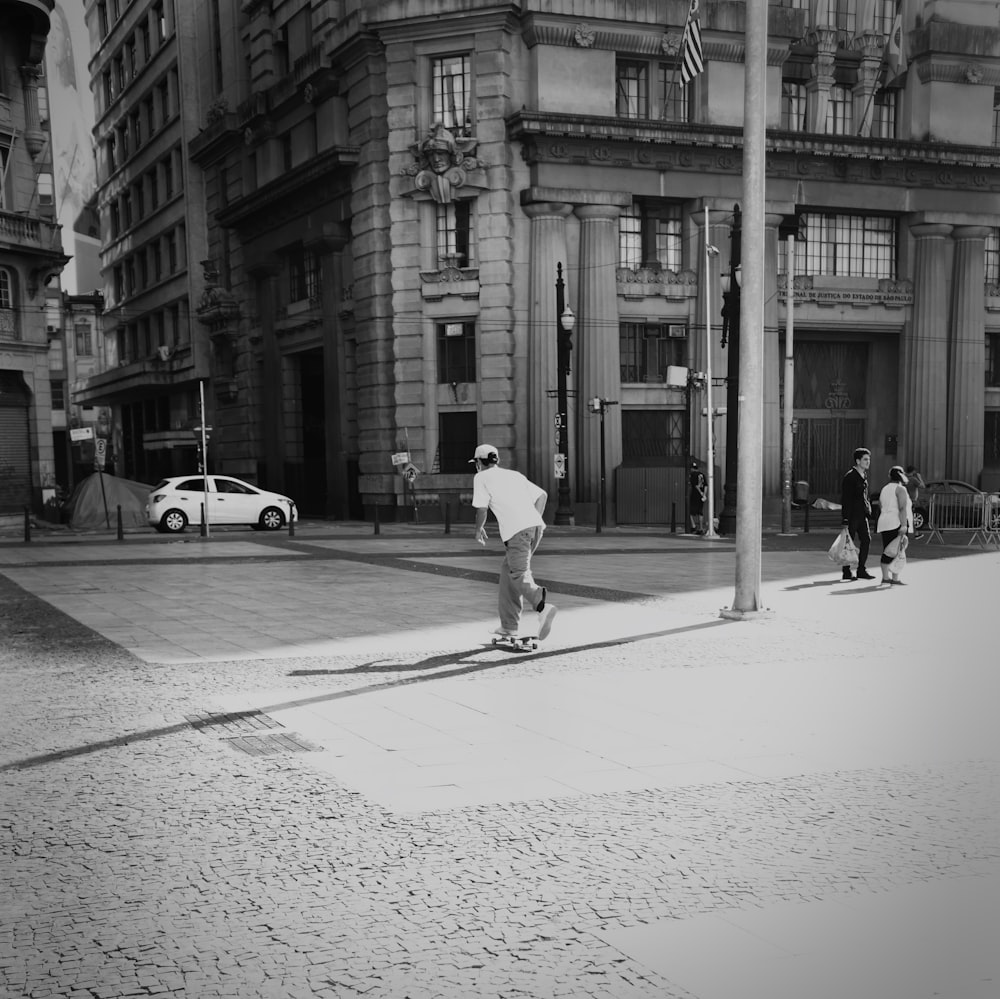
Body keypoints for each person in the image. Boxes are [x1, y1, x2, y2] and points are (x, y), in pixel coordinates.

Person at [471, 444, 557, 640]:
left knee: (518, 574)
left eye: (475, 462)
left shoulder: (481, 477)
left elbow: (481, 509)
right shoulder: (514, 475)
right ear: (496, 460)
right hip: (535, 528)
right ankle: (509, 626)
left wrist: (478, 529)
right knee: (507, 574)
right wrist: (532, 520)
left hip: (518, 533)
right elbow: (542, 495)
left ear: (478, 462)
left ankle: (542, 606)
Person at [839, 446, 875, 580]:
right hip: (852, 515)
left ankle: (861, 569)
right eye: (865, 459)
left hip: (862, 515)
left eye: (869, 459)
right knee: (849, 543)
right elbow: (846, 499)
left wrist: (868, 509)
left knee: (866, 540)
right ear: (858, 461)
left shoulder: (864, 476)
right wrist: (845, 519)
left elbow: (864, 496)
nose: (868, 462)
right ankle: (846, 571)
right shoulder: (850, 477)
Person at [876, 465, 914, 586]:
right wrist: (904, 525)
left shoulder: (884, 489)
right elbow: (902, 508)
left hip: (884, 522)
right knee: (898, 551)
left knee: (888, 550)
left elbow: (880, 505)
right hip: (896, 522)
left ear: (889, 476)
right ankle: (895, 578)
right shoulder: (900, 489)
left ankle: (886, 577)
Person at [688, 459, 707, 535]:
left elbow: (695, 485)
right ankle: (701, 527)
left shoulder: (693, 475)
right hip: (702, 496)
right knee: (700, 511)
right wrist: (704, 494)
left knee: (690, 512)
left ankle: (693, 526)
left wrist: (700, 492)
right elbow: (706, 485)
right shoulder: (702, 475)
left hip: (695, 495)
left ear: (692, 468)